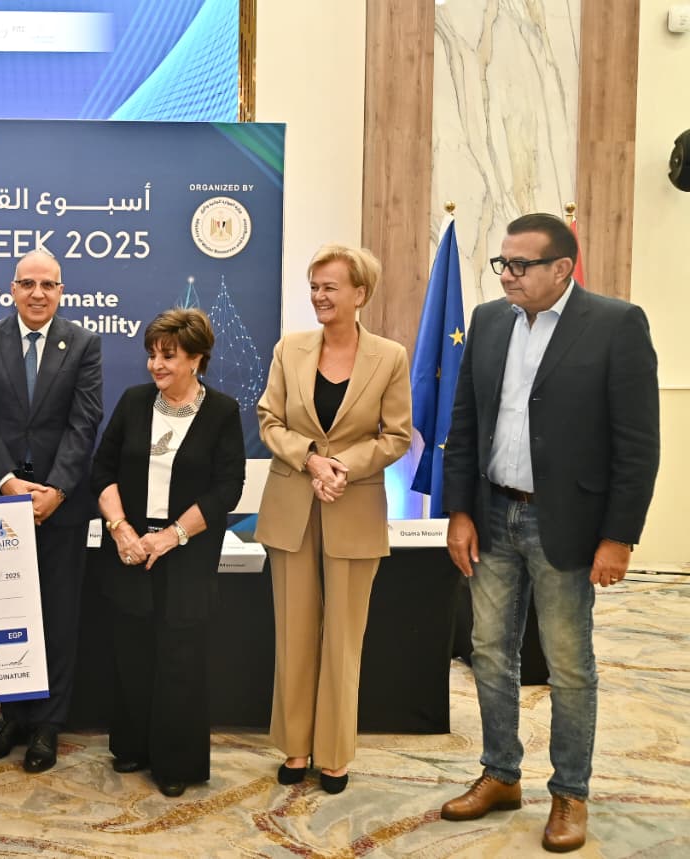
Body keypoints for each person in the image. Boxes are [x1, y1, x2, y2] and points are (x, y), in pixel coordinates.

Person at [440, 213, 659, 852]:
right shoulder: (488, 321)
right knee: (488, 652)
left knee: (567, 664)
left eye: (521, 265)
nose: (507, 275)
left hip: (565, 521)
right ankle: (500, 774)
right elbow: (465, 423)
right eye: (502, 263)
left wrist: (619, 536)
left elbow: (637, 444)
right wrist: (459, 511)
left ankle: (569, 793)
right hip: (491, 514)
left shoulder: (616, 324)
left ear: (562, 268)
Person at [254, 244, 411, 794]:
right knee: (294, 632)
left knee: (344, 637)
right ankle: (296, 747)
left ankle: (336, 753)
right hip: (292, 505)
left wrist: (343, 465)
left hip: (355, 505)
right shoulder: (289, 349)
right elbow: (269, 420)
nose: (319, 296)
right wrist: (311, 460)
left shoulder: (390, 356)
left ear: (360, 293)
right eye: (315, 287)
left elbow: (396, 435)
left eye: (330, 287)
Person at [92, 308, 245, 798]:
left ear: (196, 359)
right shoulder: (134, 402)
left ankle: (175, 761)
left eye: (169, 356)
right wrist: (120, 530)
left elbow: (227, 489)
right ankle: (132, 746)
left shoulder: (222, 412)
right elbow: (102, 470)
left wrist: (171, 536)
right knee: (132, 652)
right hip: (131, 551)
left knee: (180, 659)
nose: (156, 365)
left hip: (186, 555)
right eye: (152, 355)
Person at [0, 248, 103, 773]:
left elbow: (85, 423)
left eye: (48, 284)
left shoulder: (83, 343)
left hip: (60, 506)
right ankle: (12, 717)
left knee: (57, 617)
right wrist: (6, 481)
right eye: (28, 284)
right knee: (4, 612)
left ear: (61, 291)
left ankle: (48, 724)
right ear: (13, 289)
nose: (38, 293)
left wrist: (56, 490)